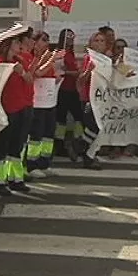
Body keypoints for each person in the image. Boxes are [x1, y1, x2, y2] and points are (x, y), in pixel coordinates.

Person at [0, 24, 33, 196]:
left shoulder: (19, 61)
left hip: (21, 108)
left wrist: (21, 72)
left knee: (17, 145)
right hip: (3, 111)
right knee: (0, 146)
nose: (18, 46)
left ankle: (16, 178)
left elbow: (29, 80)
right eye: (15, 43)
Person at [25, 31, 61, 177]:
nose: (46, 43)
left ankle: (44, 162)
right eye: (43, 40)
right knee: (36, 134)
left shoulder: (47, 58)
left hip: (49, 101)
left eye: (47, 40)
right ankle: (31, 165)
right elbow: (37, 72)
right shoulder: (32, 57)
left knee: (48, 133)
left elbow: (48, 74)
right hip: (37, 102)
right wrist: (51, 60)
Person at [74, 32, 109, 170]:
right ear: (91, 43)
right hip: (89, 98)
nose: (99, 43)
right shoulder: (89, 58)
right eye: (96, 40)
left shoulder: (107, 60)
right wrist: (89, 70)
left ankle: (85, 151)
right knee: (94, 127)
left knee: (99, 129)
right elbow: (81, 80)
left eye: (102, 40)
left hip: (103, 99)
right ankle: (81, 148)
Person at [54, 28, 84, 160]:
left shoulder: (71, 53)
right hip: (63, 89)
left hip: (73, 89)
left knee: (79, 117)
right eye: (68, 37)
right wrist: (74, 73)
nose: (70, 39)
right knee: (61, 119)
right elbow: (60, 70)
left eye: (72, 37)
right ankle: (59, 144)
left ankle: (77, 141)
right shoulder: (59, 53)